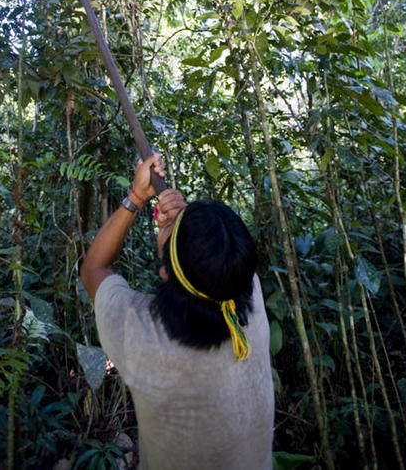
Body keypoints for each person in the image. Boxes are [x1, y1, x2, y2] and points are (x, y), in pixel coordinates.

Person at [80, 153, 274, 470]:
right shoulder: (248, 292)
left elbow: (93, 268)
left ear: (165, 271)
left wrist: (136, 197)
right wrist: (187, 233)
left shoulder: (141, 335)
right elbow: (212, 266)